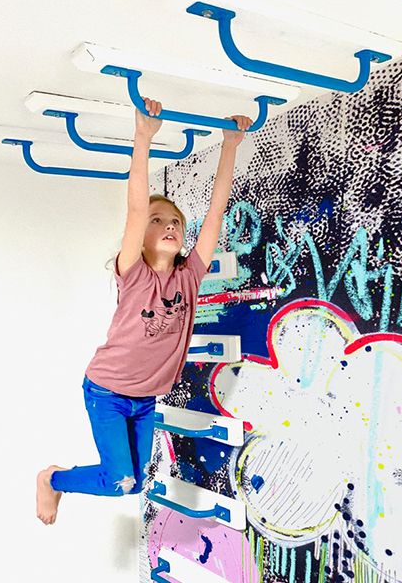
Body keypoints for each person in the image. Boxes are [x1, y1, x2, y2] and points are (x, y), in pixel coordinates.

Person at [36, 98, 253, 525]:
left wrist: (230, 145)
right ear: (141, 235)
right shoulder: (132, 274)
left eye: (175, 221)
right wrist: (143, 137)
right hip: (107, 392)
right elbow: (136, 207)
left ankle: (57, 479)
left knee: (134, 484)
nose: (170, 225)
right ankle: (53, 479)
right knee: (120, 479)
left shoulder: (189, 276)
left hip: (145, 399)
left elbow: (215, 214)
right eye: (158, 221)